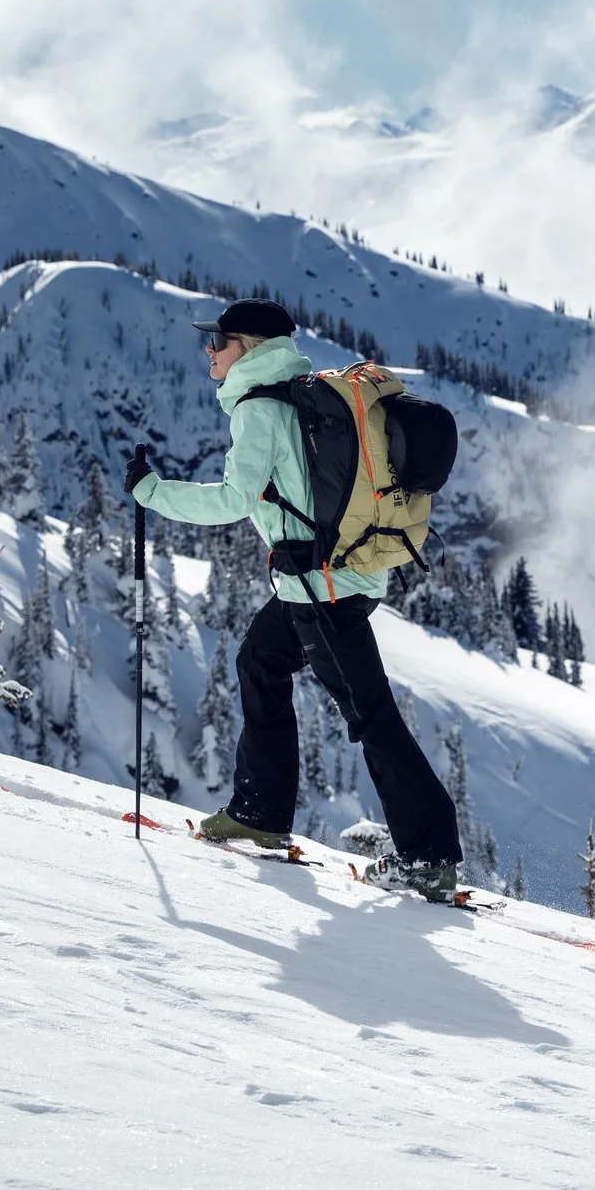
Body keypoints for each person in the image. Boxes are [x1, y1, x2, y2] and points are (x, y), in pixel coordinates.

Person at [127, 299, 463, 899]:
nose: (209, 351)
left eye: (217, 340)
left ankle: (429, 856)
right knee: (260, 661)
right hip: (326, 581)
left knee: (370, 714)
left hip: (321, 590)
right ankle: (259, 813)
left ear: (249, 346)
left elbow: (233, 499)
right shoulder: (298, 391)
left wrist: (153, 493)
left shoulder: (261, 407)